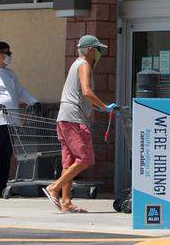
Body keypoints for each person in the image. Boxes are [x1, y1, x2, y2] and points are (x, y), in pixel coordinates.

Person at [45, 35, 114, 213]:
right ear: (90, 50)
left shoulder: (75, 64)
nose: (100, 54)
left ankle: (66, 202)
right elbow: (86, 91)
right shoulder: (84, 65)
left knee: (68, 163)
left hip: (64, 118)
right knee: (86, 158)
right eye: (98, 50)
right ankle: (55, 187)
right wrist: (105, 107)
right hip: (74, 119)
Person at [0, 41, 38, 199]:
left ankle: (2, 186)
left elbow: (20, 91)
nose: (9, 55)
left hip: (11, 121)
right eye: (6, 52)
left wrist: (33, 101)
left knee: (5, 156)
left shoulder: (10, 73)